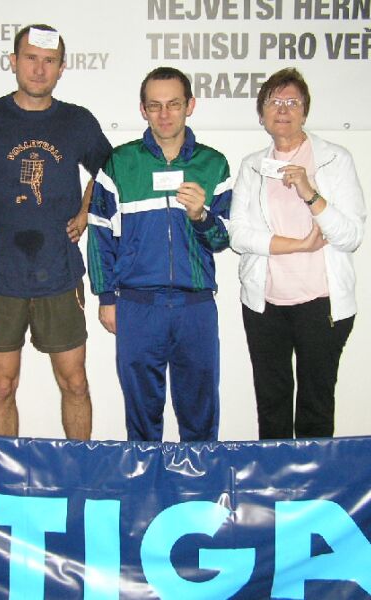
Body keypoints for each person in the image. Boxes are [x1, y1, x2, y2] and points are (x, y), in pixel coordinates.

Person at [0, 25, 112, 440]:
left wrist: (86, 210)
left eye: (49, 61)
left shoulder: (76, 121)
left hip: (59, 271)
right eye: (31, 58)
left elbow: (111, 173)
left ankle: (79, 468)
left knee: (75, 382)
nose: (39, 69)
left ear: (61, 68)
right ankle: (7, 471)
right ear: (13, 61)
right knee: (1, 386)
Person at [87, 67, 232, 442]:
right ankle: (145, 479)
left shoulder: (213, 164)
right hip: (137, 306)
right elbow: (99, 234)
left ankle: (199, 480)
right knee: (141, 416)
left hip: (195, 307)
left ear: (190, 106)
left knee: (200, 414)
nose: (164, 114)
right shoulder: (120, 163)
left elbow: (223, 239)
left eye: (173, 104)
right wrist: (106, 297)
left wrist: (201, 216)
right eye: (155, 106)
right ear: (143, 110)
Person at [229, 67, 366, 440]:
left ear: (305, 111)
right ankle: (274, 475)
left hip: (322, 305)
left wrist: (310, 191)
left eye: (292, 102)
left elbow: (351, 235)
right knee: (271, 404)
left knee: (315, 405)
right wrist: (299, 245)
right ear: (261, 114)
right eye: (274, 102)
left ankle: (313, 476)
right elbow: (238, 235)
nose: (283, 109)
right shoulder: (252, 165)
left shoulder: (334, 160)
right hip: (265, 305)